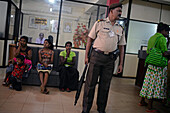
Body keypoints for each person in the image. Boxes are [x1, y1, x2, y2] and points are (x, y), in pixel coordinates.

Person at [82, 3, 126, 113]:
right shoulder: (99, 23)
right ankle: (86, 109)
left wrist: (121, 63)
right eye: (118, 11)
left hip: (110, 60)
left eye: (121, 11)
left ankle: (101, 109)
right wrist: (86, 56)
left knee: (105, 86)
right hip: (96, 57)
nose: (120, 13)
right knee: (90, 84)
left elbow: (121, 47)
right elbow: (89, 40)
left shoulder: (120, 28)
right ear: (111, 11)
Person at [139, 23, 169, 112]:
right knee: (154, 85)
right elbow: (164, 52)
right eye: (167, 32)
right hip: (158, 65)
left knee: (147, 83)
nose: (168, 34)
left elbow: (149, 51)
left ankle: (142, 101)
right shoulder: (162, 38)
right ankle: (149, 107)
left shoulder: (152, 37)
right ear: (162, 31)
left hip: (150, 63)